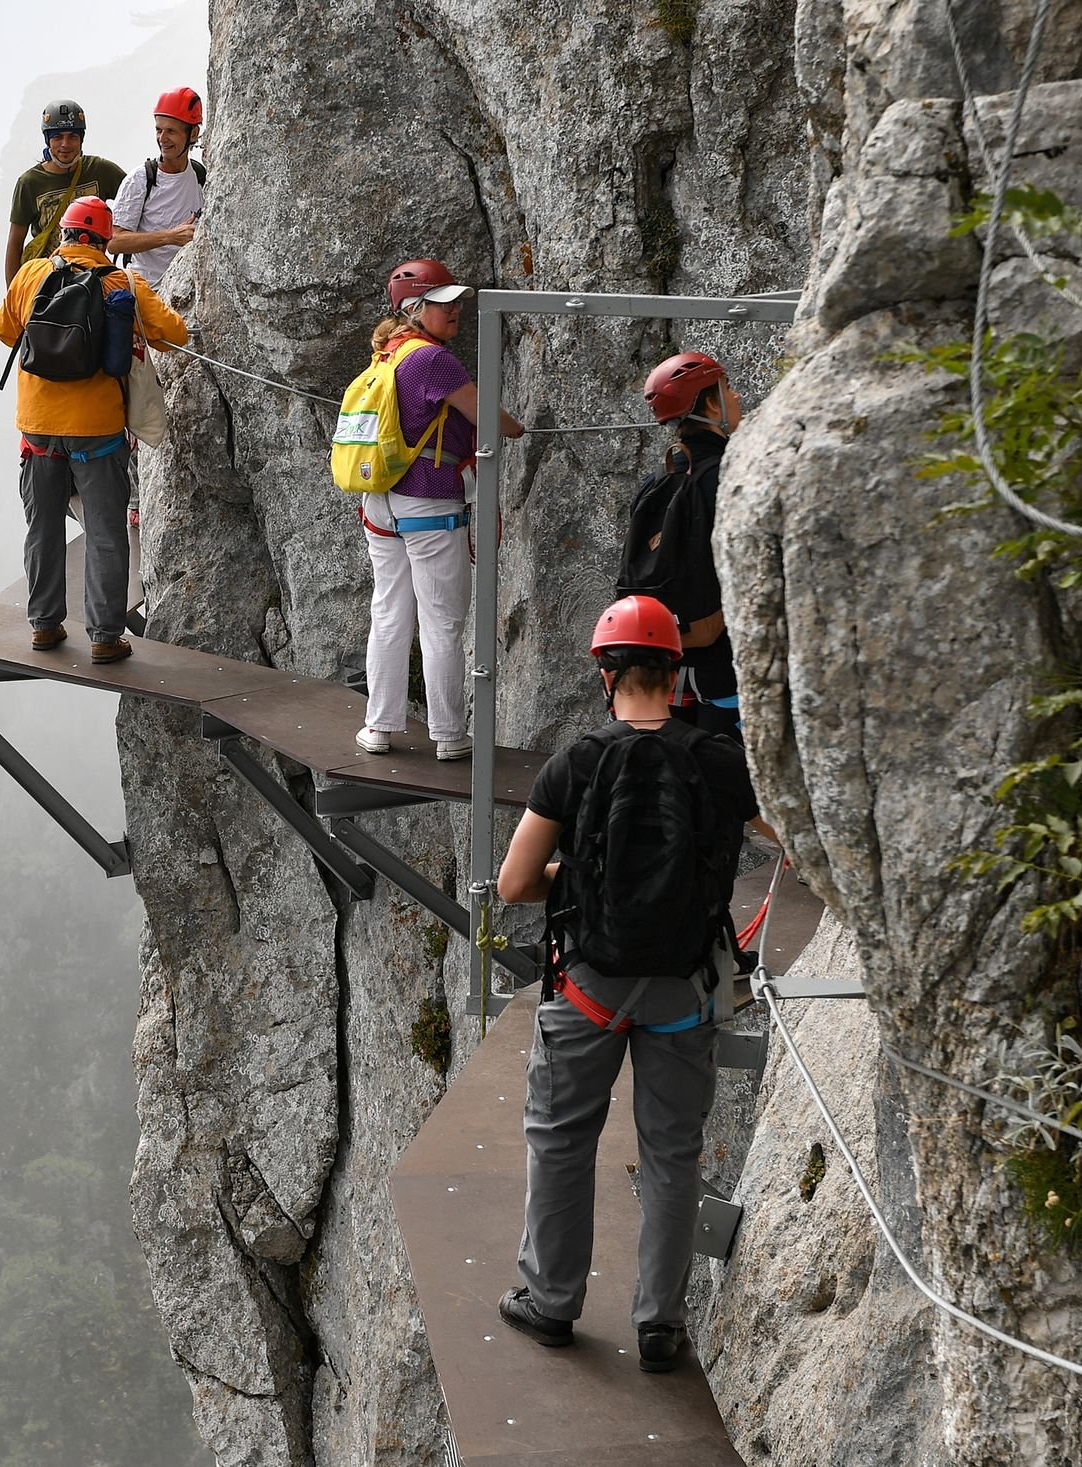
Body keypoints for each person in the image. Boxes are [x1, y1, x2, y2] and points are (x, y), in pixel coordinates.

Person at [493, 595, 777, 1374]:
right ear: (676, 672)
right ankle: (660, 1323)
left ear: (605, 675)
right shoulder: (720, 761)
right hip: (685, 988)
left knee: (560, 1142)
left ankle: (551, 1302)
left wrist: (576, 872)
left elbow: (516, 883)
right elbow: (795, 836)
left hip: (589, 983)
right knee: (672, 1152)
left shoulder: (576, 763)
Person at [0, 195, 186, 664]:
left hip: (37, 432)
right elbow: (174, 335)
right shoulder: (123, 283)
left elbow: (4, 329)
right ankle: (104, 635)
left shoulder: (31, 275)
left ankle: (43, 626)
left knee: (42, 528)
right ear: (104, 240)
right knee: (105, 532)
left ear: (64, 234)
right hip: (97, 434)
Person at [354, 258, 524, 761]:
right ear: (413, 308)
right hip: (429, 502)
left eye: (455, 302)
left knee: (388, 613)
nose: (455, 312)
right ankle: (449, 735)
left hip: (381, 502)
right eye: (442, 303)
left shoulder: (385, 354)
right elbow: (487, 418)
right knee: (442, 621)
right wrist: (518, 429)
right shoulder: (432, 360)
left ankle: (378, 729)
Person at [617, 352, 744, 737]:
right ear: (710, 404)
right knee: (729, 784)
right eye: (727, 388)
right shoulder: (731, 474)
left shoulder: (661, 478)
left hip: (666, 662)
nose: (736, 396)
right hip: (724, 668)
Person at [4, 99, 128, 286]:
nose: (65, 144)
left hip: (94, 277)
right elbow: (15, 244)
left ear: (81, 139)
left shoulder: (100, 170)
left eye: (72, 136)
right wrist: (14, 297)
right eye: (57, 137)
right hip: (48, 281)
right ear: (48, 140)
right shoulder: (29, 183)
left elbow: (136, 198)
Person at [107, 86, 206, 288]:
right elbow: (114, 242)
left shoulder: (200, 176)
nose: (162, 138)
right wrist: (170, 237)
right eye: (158, 130)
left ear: (193, 133)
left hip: (187, 288)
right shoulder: (141, 179)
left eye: (171, 131)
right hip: (146, 290)